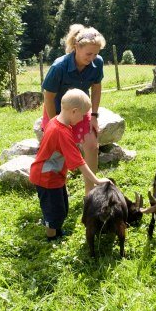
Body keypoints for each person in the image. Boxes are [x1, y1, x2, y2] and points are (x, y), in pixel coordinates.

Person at [30, 89, 112, 241]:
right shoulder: (62, 132)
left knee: (62, 207)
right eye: (82, 115)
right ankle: (52, 237)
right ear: (74, 111)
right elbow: (79, 161)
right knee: (54, 210)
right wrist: (96, 180)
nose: (82, 119)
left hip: (54, 175)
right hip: (46, 177)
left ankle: (56, 229)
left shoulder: (55, 122)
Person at [42, 24, 106, 195]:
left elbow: (97, 88)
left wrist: (93, 115)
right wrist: (54, 123)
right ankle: (56, 190)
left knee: (92, 145)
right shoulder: (59, 67)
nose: (92, 58)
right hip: (57, 112)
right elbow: (48, 97)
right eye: (88, 54)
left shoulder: (97, 63)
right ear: (77, 47)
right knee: (59, 151)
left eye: (95, 54)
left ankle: (89, 192)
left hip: (81, 111)